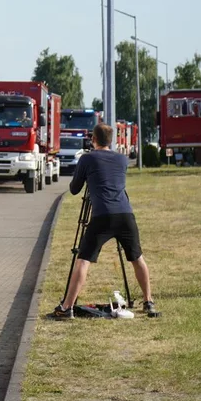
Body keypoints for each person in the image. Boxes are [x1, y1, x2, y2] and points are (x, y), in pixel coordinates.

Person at [52, 122, 160, 319]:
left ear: (93, 139)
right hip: (125, 214)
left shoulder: (87, 159)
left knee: (83, 260)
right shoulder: (121, 159)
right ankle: (148, 301)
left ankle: (67, 307)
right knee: (137, 258)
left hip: (102, 215)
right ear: (111, 141)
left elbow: (75, 189)